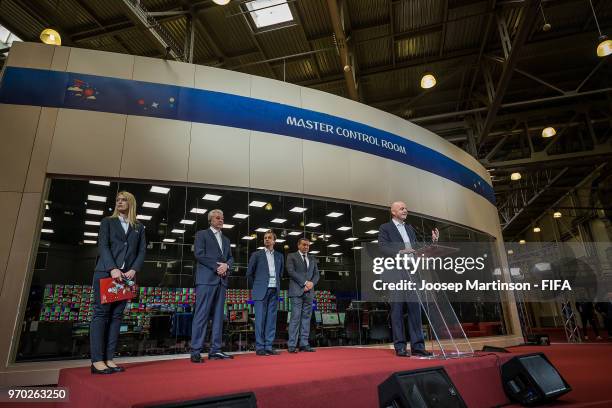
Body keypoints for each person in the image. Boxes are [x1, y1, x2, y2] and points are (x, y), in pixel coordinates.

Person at [91, 191, 146, 374]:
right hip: (106, 274)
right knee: (101, 315)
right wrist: (112, 268)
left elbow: (141, 252)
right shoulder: (108, 222)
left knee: (116, 317)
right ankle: (97, 361)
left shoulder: (139, 227)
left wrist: (133, 270)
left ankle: (109, 359)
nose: (120, 202)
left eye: (124, 200)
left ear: (131, 203)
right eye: (118, 200)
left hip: (126, 278)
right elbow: (103, 245)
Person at [378, 201, 438, 357]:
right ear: (393, 212)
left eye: (406, 208)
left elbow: (417, 248)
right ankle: (400, 346)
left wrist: (433, 243)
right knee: (397, 310)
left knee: (415, 310)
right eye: (402, 208)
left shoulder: (410, 229)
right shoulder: (385, 228)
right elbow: (382, 247)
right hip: (396, 272)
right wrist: (400, 251)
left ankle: (418, 346)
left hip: (412, 273)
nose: (405, 210)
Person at [190, 209, 234, 362]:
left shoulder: (226, 240)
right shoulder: (202, 234)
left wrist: (227, 266)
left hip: (221, 281)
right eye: (217, 218)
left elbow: (230, 258)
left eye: (222, 218)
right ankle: (196, 350)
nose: (221, 220)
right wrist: (218, 267)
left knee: (218, 317)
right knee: (201, 315)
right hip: (206, 280)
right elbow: (199, 254)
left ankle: (216, 350)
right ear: (210, 220)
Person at [247, 230, 284, 356]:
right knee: (260, 320)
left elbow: (281, 274)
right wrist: (258, 286)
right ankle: (260, 347)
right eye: (265, 238)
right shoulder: (256, 255)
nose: (267, 239)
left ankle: (269, 346)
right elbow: (249, 274)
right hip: (260, 291)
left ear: (274, 241)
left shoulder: (280, 256)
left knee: (271, 320)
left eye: (269, 238)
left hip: (274, 291)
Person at [286, 238, 319, 353]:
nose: (306, 247)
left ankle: (304, 344)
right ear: (298, 245)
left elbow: (316, 275)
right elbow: (291, 272)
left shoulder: (312, 258)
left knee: (306, 318)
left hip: (309, 292)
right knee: (295, 318)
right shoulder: (291, 256)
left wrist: (311, 284)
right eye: (304, 245)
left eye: (308, 245)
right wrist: (305, 283)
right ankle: (292, 344)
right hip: (296, 291)